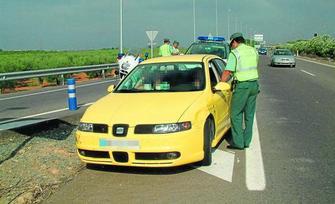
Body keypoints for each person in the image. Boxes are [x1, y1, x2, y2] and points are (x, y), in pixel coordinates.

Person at [221, 32, 260, 150]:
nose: (231, 46)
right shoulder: (253, 50)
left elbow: (228, 72)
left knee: (235, 114)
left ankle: (238, 143)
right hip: (254, 85)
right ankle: (247, 141)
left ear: (234, 41)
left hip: (242, 86)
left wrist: (221, 83)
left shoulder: (235, 53)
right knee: (249, 114)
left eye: (231, 44)